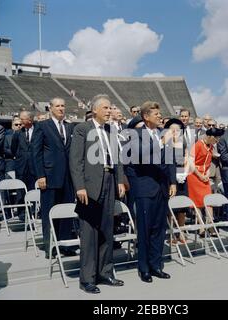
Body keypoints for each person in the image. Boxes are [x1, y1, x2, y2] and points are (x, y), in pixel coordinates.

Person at [70, 94, 126, 294]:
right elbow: (75, 160)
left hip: (110, 182)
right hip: (90, 186)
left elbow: (117, 159)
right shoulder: (82, 129)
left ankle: (105, 273)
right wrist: (79, 187)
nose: (109, 111)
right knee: (89, 233)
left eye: (110, 108)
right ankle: (87, 278)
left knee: (106, 231)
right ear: (94, 110)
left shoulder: (111, 130)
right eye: (105, 108)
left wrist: (120, 180)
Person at [127, 101, 177, 283]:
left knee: (159, 228)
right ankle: (144, 268)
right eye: (156, 114)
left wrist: (172, 182)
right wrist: (161, 144)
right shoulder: (135, 135)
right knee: (145, 229)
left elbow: (170, 159)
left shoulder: (163, 134)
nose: (159, 116)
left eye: (159, 113)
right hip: (145, 187)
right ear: (146, 116)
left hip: (162, 188)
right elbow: (140, 157)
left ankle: (156, 265)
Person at [32, 97, 76, 259]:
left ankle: (65, 244)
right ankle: (50, 245)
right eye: (57, 106)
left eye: (63, 106)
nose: (61, 108)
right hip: (49, 177)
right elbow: (35, 153)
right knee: (49, 212)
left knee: (66, 212)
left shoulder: (70, 127)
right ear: (50, 108)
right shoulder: (42, 126)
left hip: (68, 178)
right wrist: (40, 175)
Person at [187, 127, 224, 236]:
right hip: (194, 175)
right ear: (210, 136)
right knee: (197, 203)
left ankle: (211, 226)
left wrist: (207, 174)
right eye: (216, 139)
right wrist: (199, 175)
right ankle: (201, 228)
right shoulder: (198, 145)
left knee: (208, 201)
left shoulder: (211, 147)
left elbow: (208, 163)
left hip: (204, 176)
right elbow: (191, 163)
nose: (216, 141)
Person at [163, 118, 188, 244]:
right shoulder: (165, 144)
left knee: (182, 207)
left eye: (178, 130)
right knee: (171, 207)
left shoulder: (182, 143)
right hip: (169, 179)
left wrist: (185, 168)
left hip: (182, 177)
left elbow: (187, 158)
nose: (175, 132)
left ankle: (181, 232)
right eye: (172, 130)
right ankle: (172, 232)